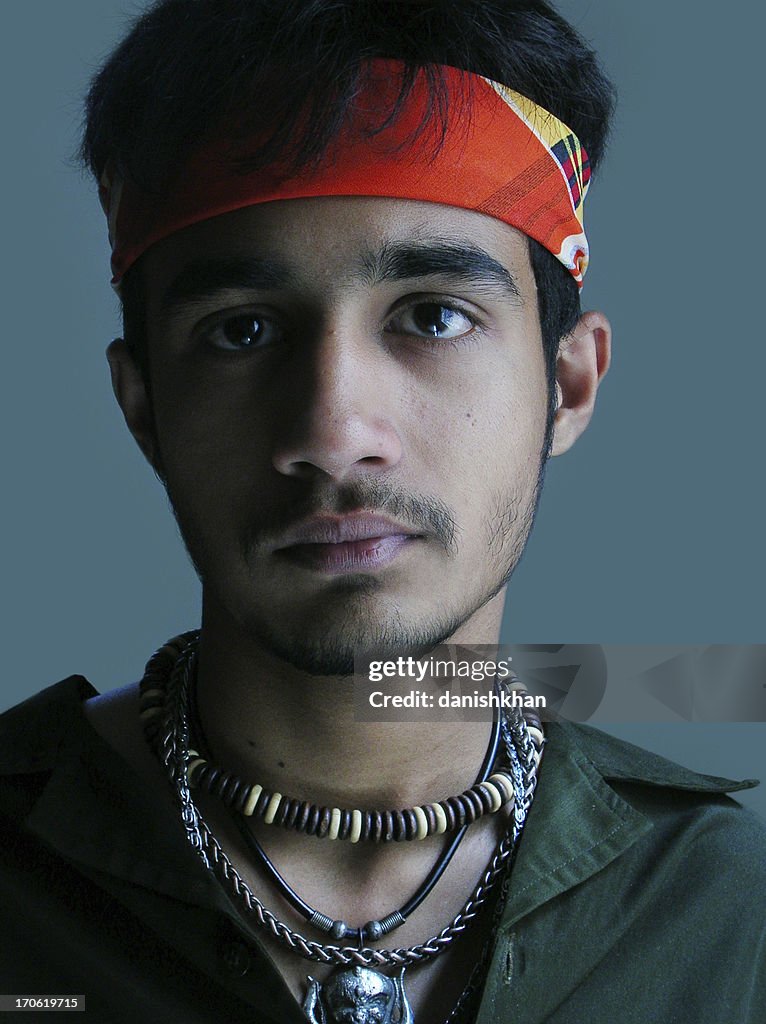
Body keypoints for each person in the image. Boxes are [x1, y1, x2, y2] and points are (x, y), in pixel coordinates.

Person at [1, 2, 764, 1022]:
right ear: (143, 407)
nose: (333, 427)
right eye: (242, 330)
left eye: (433, 315)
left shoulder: (721, 913)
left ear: (568, 386)